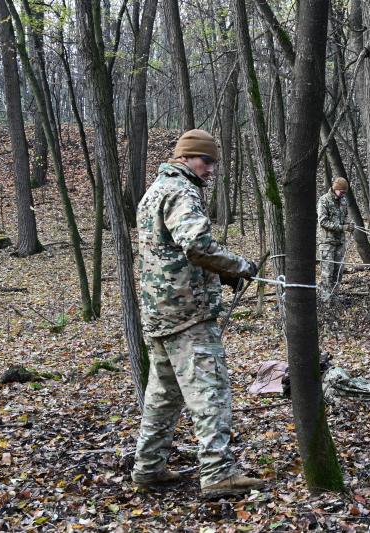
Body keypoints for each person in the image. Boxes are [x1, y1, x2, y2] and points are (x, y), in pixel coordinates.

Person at [132, 129, 262, 499]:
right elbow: (197, 245)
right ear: (186, 158)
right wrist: (239, 266)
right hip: (187, 315)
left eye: (213, 163)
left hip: (161, 312)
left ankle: (148, 468)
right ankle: (218, 472)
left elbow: (173, 251)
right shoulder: (180, 191)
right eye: (206, 161)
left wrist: (219, 273)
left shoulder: (154, 191)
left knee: (164, 396)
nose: (210, 169)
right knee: (211, 391)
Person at [317, 177, 353, 300]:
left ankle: (334, 298)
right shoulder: (324, 200)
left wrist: (349, 224)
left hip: (340, 242)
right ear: (335, 188)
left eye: (345, 193)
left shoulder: (343, 201)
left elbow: (347, 216)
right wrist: (342, 227)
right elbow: (323, 221)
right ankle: (326, 300)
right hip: (327, 243)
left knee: (338, 272)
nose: (343, 194)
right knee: (327, 273)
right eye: (342, 192)